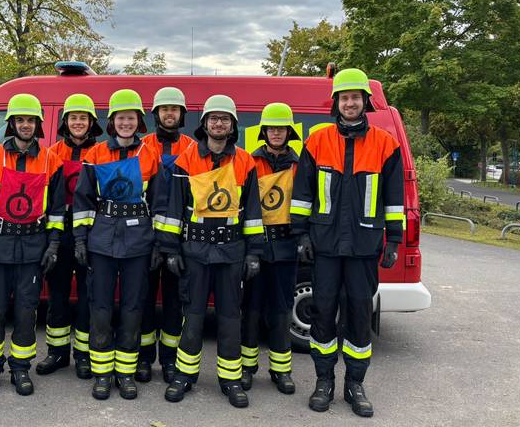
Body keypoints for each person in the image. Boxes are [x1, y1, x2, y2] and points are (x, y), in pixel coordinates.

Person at [290, 68, 404, 418]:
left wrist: (395, 240)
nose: (350, 103)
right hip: (324, 247)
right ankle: (323, 382)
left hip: (363, 247)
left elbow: (394, 199)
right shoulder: (318, 140)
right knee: (322, 316)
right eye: (344, 97)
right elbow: (302, 194)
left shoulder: (387, 144)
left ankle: (355, 384)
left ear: (365, 102)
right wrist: (301, 234)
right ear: (336, 103)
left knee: (358, 316)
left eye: (355, 97)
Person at [156, 94, 263, 409]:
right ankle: (184, 376)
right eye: (214, 118)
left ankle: (230, 379)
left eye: (225, 119)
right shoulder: (185, 160)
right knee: (194, 316)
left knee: (230, 317)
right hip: (195, 251)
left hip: (231, 251)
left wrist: (254, 252)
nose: (219, 123)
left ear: (232, 126)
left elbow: (253, 212)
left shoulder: (245, 161)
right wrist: (170, 249)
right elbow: (173, 209)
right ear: (204, 124)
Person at [0, 93, 65, 397]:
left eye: (30, 120)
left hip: (33, 248)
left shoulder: (52, 160)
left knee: (26, 312)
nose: (25, 125)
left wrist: (53, 245)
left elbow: (58, 210)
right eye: (20, 120)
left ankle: (21, 368)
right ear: (11, 124)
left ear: (38, 124)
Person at [72, 89, 162, 401]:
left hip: (139, 240)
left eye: (131, 117)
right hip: (102, 238)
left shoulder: (150, 155)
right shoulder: (95, 154)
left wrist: (158, 245)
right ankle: (101, 373)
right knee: (100, 306)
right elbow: (82, 201)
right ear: (112, 122)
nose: (126, 122)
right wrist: (81, 240)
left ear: (139, 121)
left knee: (133, 307)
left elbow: (159, 204)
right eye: (121, 117)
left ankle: (125, 372)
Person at [37, 94, 102, 379]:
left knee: (89, 295)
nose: (78, 122)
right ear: (66, 122)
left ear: (91, 123)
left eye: (83, 118)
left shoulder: (101, 153)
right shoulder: (51, 153)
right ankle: (57, 352)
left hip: (92, 230)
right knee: (58, 293)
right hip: (59, 229)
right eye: (73, 118)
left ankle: (84, 355)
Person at [240, 103, 301, 393]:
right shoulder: (252, 162)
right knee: (251, 308)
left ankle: (281, 370)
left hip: (287, 246)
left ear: (289, 131)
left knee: (281, 309)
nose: (276, 133)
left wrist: (304, 237)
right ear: (264, 131)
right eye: (272, 128)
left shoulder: (300, 164)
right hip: (257, 244)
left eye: (281, 128)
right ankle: (247, 368)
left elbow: (307, 204)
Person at [137, 86, 194, 383]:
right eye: (164, 109)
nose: (169, 113)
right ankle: (145, 359)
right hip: (144, 238)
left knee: (174, 302)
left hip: (180, 241)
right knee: (144, 300)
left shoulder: (192, 147)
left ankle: (170, 361)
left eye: (174, 109)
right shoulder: (141, 146)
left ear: (182, 114)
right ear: (156, 113)